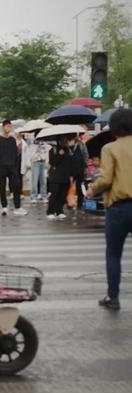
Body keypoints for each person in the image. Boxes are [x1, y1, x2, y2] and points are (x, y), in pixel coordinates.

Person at [87, 109, 132, 311]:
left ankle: (112, 298)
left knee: (114, 253)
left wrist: (91, 190)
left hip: (119, 208)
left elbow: (105, 179)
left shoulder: (110, 148)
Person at [0, 120, 27, 216]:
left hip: (12, 167)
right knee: (2, 187)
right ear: (3, 127)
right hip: (2, 167)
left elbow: (15, 154)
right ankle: (4, 207)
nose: (8, 128)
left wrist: (16, 167)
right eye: (7, 126)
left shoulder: (13, 140)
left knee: (16, 186)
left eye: (10, 126)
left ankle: (17, 207)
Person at [46, 136, 75, 220]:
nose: (65, 142)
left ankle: (59, 211)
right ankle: (50, 211)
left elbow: (70, 163)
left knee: (62, 195)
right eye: (63, 140)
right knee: (54, 194)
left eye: (66, 140)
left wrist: (71, 175)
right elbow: (53, 162)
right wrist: (59, 155)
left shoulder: (68, 150)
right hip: (55, 176)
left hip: (65, 176)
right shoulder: (53, 150)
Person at [24, 135, 51, 203]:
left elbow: (47, 152)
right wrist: (36, 151)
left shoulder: (44, 144)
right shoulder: (32, 145)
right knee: (35, 180)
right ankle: (33, 196)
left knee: (43, 180)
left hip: (43, 162)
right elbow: (30, 154)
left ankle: (43, 195)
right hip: (35, 162)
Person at [72, 132, 89, 209]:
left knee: (80, 187)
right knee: (68, 187)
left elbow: (85, 155)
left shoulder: (82, 144)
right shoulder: (68, 144)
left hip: (80, 168)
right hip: (70, 169)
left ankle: (80, 204)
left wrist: (85, 167)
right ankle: (69, 203)